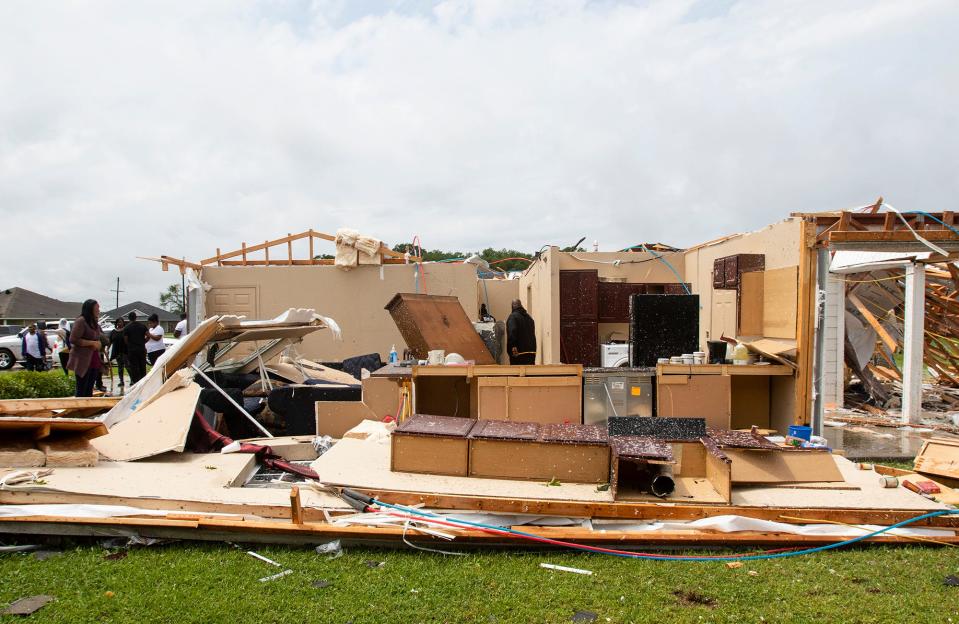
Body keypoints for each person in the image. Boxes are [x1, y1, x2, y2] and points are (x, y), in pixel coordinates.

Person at [67, 299, 103, 397]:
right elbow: (73, 339)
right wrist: (91, 343)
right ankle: (79, 409)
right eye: (97, 308)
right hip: (83, 360)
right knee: (82, 388)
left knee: (89, 389)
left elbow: (98, 337)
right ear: (90, 308)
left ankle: (87, 409)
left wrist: (99, 343)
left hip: (93, 359)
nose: (99, 310)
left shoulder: (94, 322)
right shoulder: (81, 321)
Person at [506, 299, 536, 365]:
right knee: (530, 373)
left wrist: (513, 346)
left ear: (512, 306)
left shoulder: (513, 317)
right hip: (531, 353)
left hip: (518, 353)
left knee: (517, 373)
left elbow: (512, 333)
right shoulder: (529, 318)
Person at [123, 311, 148, 384]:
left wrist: (130, 344)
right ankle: (144, 381)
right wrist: (143, 342)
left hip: (132, 350)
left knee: (134, 367)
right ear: (136, 317)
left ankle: (136, 382)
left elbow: (125, 339)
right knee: (142, 365)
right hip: (141, 349)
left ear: (129, 318)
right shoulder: (142, 326)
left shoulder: (127, 327)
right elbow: (148, 336)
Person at [109, 318, 128, 389]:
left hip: (125, 351)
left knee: (127, 366)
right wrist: (107, 349)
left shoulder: (125, 330)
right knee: (120, 367)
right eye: (118, 322)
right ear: (116, 323)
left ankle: (132, 379)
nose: (119, 323)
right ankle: (121, 381)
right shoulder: (113, 332)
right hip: (117, 352)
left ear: (123, 323)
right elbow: (110, 341)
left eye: (121, 322)